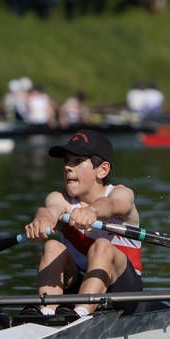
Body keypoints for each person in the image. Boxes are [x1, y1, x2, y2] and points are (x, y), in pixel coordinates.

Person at [23, 129, 142, 319]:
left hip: (123, 289)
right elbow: (49, 210)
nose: (68, 168)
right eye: (67, 161)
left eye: (77, 162)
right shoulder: (60, 198)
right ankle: (46, 312)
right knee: (52, 246)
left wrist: (92, 211)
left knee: (102, 245)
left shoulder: (120, 193)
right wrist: (42, 220)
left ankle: (80, 314)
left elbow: (112, 205)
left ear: (102, 170)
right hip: (78, 285)